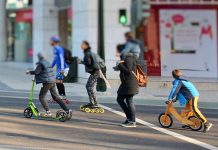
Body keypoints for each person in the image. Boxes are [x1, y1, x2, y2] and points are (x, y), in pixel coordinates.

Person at [26, 53, 72, 117]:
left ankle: (48, 112)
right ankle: (67, 110)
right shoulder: (47, 63)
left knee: (41, 96)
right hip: (52, 81)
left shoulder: (41, 63)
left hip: (47, 82)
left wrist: (29, 72)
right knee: (56, 97)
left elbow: (36, 72)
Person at [114, 45, 139, 127]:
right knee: (120, 99)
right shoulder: (126, 57)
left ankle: (132, 121)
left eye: (117, 51)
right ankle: (130, 118)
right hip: (127, 83)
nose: (116, 53)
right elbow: (126, 68)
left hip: (130, 83)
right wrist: (118, 66)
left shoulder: (129, 57)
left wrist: (120, 65)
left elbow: (128, 70)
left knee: (128, 100)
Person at [78, 41, 100, 108]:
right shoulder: (87, 53)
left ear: (86, 46)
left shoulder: (88, 53)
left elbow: (89, 63)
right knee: (89, 86)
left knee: (89, 86)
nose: (81, 46)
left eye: (82, 44)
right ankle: (93, 102)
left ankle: (94, 103)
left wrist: (81, 61)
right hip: (95, 72)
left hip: (95, 72)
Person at [50, 36, 69, 100]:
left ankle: (62, 95)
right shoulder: (55, 49)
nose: (50, 42)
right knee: (59, 81)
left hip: (62, 68)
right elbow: (55, 59)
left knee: (57, 81)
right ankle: (62, 95)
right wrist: (50, 67)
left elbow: (61, 58)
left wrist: (62, 69)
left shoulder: (59, 49)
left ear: (54, 41)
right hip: (60, 68)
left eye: (51, 40)